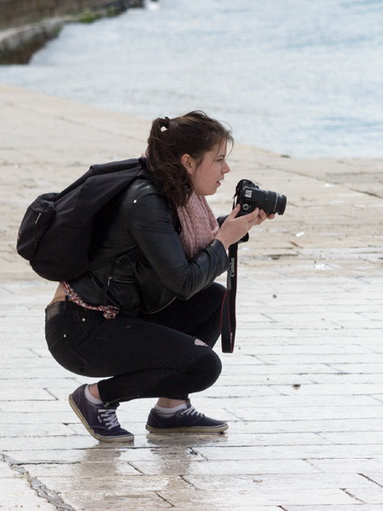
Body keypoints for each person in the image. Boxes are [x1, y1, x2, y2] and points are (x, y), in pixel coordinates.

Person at [45, 111, 276, 442]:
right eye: (219, 160)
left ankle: (171, 408)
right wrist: (223, 240)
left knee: (214, 299)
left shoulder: (174, 194)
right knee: (203, 366)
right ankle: (96, 398)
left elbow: (182, 257)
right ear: (188, 162)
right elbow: (183, 281)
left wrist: (234, 227)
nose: (226, 169)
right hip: (81, 329)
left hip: (119, 316)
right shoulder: (147, 201)